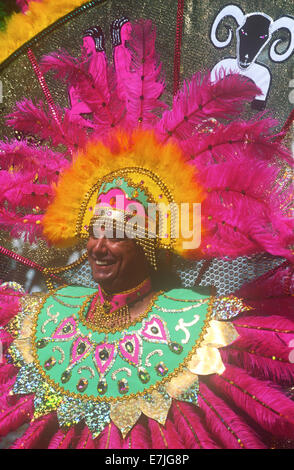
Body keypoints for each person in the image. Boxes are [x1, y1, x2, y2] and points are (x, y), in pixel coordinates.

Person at [0, 18, 293, 450]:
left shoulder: (200, 328)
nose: (98, 246)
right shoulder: (41, 318)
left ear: (149, 246)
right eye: (94, 231)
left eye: (115, 233)